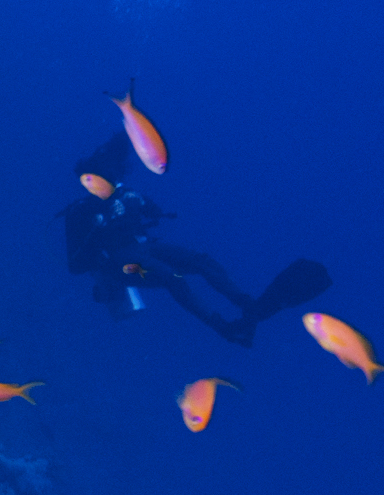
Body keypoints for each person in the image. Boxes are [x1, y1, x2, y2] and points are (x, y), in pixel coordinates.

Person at [58, 133, 328, 346]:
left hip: (141, 248)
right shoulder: (81, 210)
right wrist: (100, 234)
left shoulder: (125, 196)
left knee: (201, 261)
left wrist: (140, 207)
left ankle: (248, 305)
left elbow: (150, 212)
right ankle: (222, 326)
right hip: (119, 265)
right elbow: (75, 264)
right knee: (170, 275)